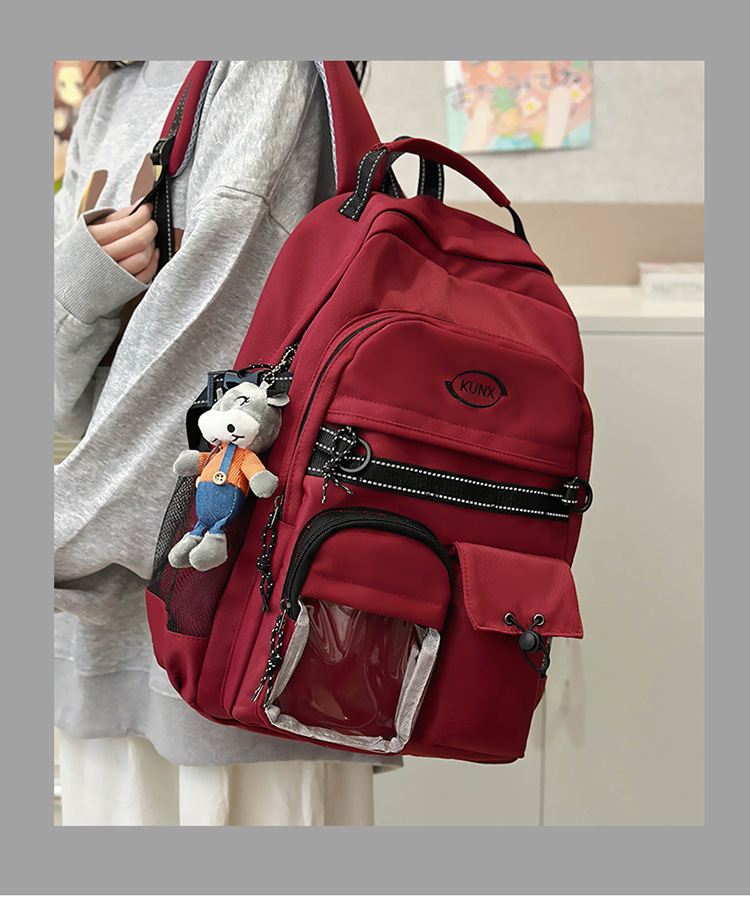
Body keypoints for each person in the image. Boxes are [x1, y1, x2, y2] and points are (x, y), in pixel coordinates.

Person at [54, 60, 391, 826]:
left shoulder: (267, 66)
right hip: (98, 633)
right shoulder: (108, 97)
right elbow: (52, 399)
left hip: (237, 640)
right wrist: (74, 289)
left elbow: (204, 379)